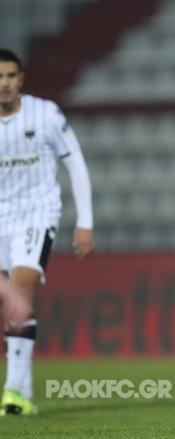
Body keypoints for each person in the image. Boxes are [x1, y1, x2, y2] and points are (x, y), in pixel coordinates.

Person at [0, 48, 95, 415]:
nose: (4, 84)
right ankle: (23, 392)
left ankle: (12, 391)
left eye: (10, 76)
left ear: (20, 79)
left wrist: (84, 221)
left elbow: (76, 164)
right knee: (13, 308)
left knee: (20, 293)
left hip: (36, 214)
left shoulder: (46, 114)